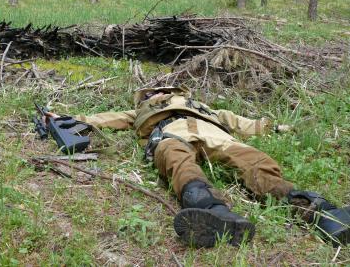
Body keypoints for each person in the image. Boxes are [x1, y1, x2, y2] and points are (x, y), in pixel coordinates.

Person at [73, 86, 350, 247]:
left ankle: (319, 212)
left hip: (216, 134)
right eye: (155, 92)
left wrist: (276, 127)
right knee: (177, 159)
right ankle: (210, 210)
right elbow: (108, 118)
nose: (161, 92)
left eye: (165, 90)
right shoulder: (141, 112)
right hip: (171, 132)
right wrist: (72, 118)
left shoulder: (208, 109)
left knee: (255, 162)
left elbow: (243, 122)